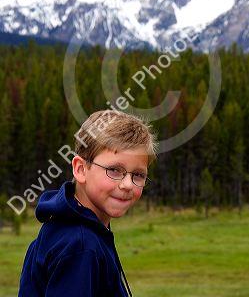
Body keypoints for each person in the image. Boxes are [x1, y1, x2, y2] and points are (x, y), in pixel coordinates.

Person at [18, 110, 157, 297]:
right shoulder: (80, 246)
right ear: (80, 169)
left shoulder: (61, 227)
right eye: (114, 170)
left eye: (138, 175)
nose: (127, 185)